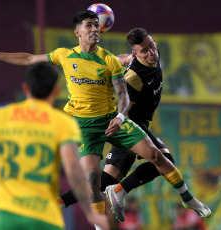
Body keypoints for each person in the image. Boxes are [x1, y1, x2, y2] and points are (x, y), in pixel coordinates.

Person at [0, 10, 211, 228]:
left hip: (111, 121)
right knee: (93, 179)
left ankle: (186, 199)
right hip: (84, 127)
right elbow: (29, 59)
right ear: (77, 32)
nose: (95, 28)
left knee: (157, 157)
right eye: (89, 25)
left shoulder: (109, 60)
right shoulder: (64, 56)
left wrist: (120, 115)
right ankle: (97, 222)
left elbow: (122, 95)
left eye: (97, 25)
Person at [57, 27, 211, 222]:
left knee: (104, 182)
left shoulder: (144, 56)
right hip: (132, 126)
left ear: (154, 41)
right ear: (136, 53)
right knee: (163, 160)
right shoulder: (133, 79)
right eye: (144, 51)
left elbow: (122, 58)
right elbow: (122, 106)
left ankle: (60, 202)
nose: (151, 53)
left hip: (137, 124)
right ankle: (125, 191)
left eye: (151, 47)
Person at [0, 62, 109, 230]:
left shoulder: (1, 116)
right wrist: (90, 212)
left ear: (25, 88)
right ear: (57, 91)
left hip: (7, 215)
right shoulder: (63, 123)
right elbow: (73, 169)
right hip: (44, 217)